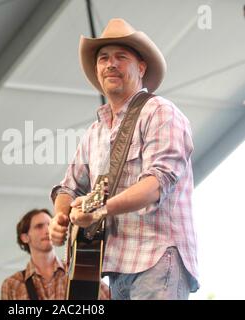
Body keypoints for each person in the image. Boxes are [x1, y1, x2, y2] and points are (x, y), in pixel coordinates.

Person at [49, 18, 199, 300]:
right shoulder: (95, 132)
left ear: (141, 67)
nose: (110, 64)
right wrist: (59, 217)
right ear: (97, 69)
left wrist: (101, 210)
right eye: (104, 58)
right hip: (114, 268)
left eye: (121, 57)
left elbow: (156, 183)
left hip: (157, 258)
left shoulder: (160, 112)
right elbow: (68, 188)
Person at [1, 208, 109, 300]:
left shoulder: (77, 272)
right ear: (25, 237)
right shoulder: (13, 284)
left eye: (49, 225)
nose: (47, 230)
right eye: (39, 226)